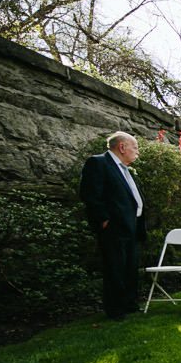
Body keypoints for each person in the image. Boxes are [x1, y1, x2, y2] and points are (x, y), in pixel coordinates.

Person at [79, 131, 146, 320]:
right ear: (122, 147)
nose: (137, 152)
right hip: (114, 227)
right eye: (135, 147)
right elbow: (90, 193)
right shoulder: (98, 163)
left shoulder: (125, 169)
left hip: (131, 227)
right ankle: (115, 309)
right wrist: (103, 219)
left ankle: (129, 304)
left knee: (130, 267)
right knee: (114, 268)